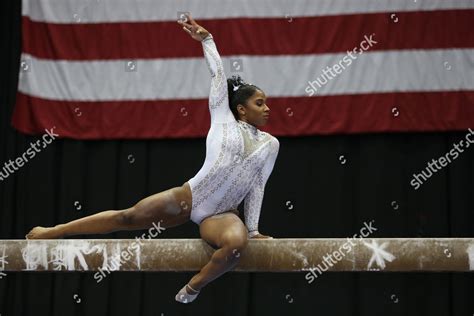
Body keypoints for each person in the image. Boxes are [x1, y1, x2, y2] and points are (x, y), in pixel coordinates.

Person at [25, 13, 279, 304]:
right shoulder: (222, 118)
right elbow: (218, 75)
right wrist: (207, 40)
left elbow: (257, 186)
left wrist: (254, 229)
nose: (267, 108)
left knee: (236, 246)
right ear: (241, 109)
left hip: (220, 215)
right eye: (259, 103)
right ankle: (53, 231)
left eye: (267, 103)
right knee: (127, 216)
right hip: (190, 197)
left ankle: (194, 286)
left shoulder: (271, 145)